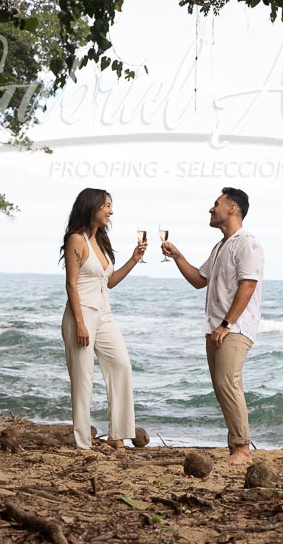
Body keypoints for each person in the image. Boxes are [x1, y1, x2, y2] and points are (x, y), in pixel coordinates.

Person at [161, 187, 264, 463]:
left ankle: (242, 449)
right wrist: (177, 256)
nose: (211, 208)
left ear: (232, 208)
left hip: (234, 328)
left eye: (216, 204)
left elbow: (248, 285)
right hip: (216, 328)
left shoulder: (247, 243)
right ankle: (236, 447)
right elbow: (199, 279)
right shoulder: (220, 247)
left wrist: (227, 324)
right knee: (221, 387)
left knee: (227, 382)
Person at [60, 188, 146, 449]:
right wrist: (80, 323)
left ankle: (117, 435)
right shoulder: (76, 239)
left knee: (121, 365)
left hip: (104, 314)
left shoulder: (100, 240)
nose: (111, 211)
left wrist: (134, 259)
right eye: (107, 205)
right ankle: (83, 443)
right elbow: (71, 284)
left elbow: (109, 281)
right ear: (92, 207)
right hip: (81, 313)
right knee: (83, 380)